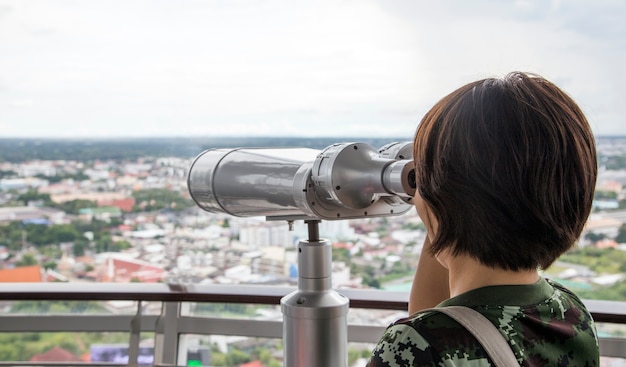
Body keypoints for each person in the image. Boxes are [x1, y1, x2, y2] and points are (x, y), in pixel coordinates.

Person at [367, 71, 599, 366]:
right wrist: (440, 198)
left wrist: (435, 199)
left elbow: (428, 333)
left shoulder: (415, 344)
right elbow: (434, 315)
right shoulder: (569, 312)